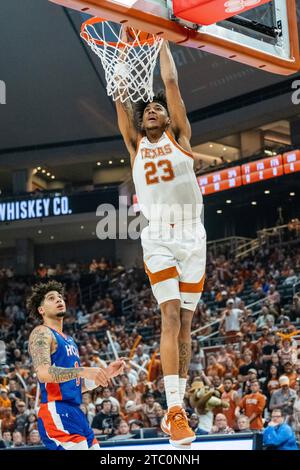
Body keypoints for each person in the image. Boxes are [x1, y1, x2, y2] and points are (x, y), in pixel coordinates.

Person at [115, 39, 206, 448]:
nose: (152, 110)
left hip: (194, 235)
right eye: (147, 109)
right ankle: (173, 410)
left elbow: (169, 79)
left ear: (170, 119)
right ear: (142, 122)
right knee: (169, 316)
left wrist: (162, 37)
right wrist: (119, 57)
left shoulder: (181, 137)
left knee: (187, 324)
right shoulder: (135, 146)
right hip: (159, 236)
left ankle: (178, 410)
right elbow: (120, 98)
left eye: (159, 108)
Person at [27, 281, 125, 450]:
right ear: (41, 310)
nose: (59, 300)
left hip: (76, 412)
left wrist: (106, 373)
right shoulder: (41, 333)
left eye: (60, 297)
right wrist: (83, 371)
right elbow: (43, 373)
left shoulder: (70, 340)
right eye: (51, 298)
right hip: (56, 410)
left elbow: (73, 387)